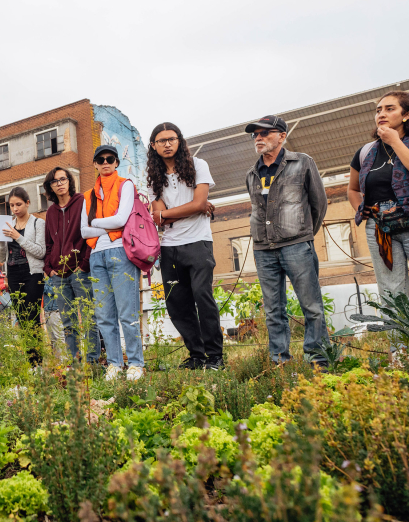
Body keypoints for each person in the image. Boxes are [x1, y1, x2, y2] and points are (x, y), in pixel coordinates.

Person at [244, 115, 328, 365]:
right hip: (263, 249)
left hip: (296, 246)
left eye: (265, 133)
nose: (258, 138)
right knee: (273, 311)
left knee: (311, 307)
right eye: (255, 135)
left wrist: (302, 234)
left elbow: (318, 204)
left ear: (282, 135)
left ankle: (319, 362)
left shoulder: (302, 162)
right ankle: (279, 363)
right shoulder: (251, 173)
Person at [148, 122, 224, 370]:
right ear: (154, 146)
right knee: (177, 303)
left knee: (203, 298)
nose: (167, 144)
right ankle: (196, 356)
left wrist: (171, 213)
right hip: (170, 246)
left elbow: (200, 203)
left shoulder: (198, 165)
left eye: (172, 139)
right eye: (162, 140)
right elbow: (157, 216)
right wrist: (193, 208)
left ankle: (215, 356)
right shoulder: (153, 177)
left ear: (179, 141)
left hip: (198, 242)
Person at [81, 145, 145, 381]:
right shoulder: (88, 195)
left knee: (127, 313)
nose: (105, 162)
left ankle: (136, 363)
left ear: (116, 162)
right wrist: (105, 224)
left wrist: (95, 223)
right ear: (95, 164)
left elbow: (122, 219)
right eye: (100, 159)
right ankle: (114, 364)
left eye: (110, 159)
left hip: (120, 251)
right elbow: (83, 231)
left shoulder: (125, 184)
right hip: (97, 255)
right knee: (104, 315)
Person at [348, 91, 409, 299]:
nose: (381, 114)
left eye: (390, 109)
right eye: (378, 110)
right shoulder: (365, 152)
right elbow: (353, 189)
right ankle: (398, 332)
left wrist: (395, 142)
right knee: (391, 289)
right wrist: (360, 208)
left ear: (406, 115)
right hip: (379, 224)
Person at [42, 166, 101, 364]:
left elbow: (90, 234)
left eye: (62, 179)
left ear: (69, 181)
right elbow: (49, 243)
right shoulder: (50, 212)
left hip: (80, 271)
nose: (59, 184)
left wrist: (84, 264)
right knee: (68, 322)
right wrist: (48, 269)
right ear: (50, 186)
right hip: (58, 275)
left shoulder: (82, 202)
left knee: (89, 317)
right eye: (54, 181)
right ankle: (75, 364)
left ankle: (93, 362)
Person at [0, 188, 46, 326]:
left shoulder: (38, 223)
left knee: (32, 316)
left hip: (32, 274)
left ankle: (36, 348)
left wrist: (18, 237)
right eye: (12, 205)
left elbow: (41, 252)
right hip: (13, 274)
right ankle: (27, 348)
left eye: (18, 204)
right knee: (20, 317)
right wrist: (0, 241)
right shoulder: (8, 225)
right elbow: (1, 258)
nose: (15, 209)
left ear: (27, 203)